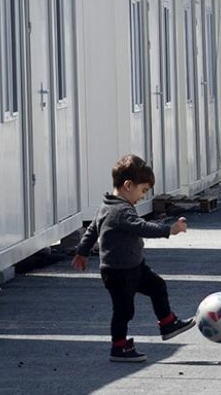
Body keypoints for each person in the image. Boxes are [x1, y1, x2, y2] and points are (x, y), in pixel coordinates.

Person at [72, 154, 196, 363]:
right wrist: (170, 230)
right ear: (128, 185)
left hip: (134, 267)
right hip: (118, 272)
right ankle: (119, 347)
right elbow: (142, 227)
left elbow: (92, 229)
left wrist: (82, 252)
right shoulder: (120, 211)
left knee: (157, 286)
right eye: (143, 190)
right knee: (124, 310)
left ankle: (167, 323)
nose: (143, 196)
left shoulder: (106, 206)